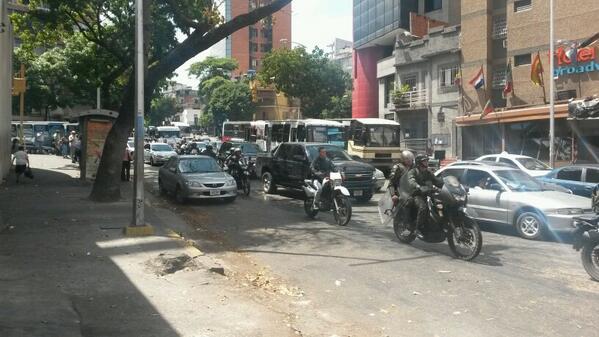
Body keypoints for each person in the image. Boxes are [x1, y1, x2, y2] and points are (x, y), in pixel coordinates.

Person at [398, 154, 444, 236]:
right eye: (424, 161)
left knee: (439, 206)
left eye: (427, 161)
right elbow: (411, 180)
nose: (426, 162)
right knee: (423, 208)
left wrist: (445, 183)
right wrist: (418, 186)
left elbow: (436, 181)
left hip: (427, 194)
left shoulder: (427, 172)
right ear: (419, 162)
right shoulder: (413, 171)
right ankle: (417, 228)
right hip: (415, 194)